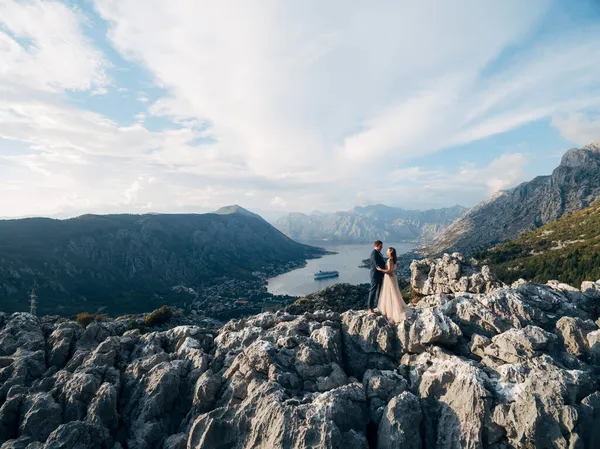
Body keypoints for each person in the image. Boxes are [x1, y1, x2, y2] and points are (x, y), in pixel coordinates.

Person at [377, 247, 413, 323]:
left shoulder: (390, 260)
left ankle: (392, 312)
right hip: (392, 277)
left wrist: (381, 270)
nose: (386, 251)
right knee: (393, 293)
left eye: (388, 250)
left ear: (390, 252)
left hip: (389, 277)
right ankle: (393, 310)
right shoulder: (393, 259)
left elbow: (389, 271)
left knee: (391, 293)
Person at [368, 240, 385, 313]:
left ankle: (379, 306)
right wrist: (384, 270)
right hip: (375, 275)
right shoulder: (374, 253)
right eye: (380, 246)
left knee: (379, 291)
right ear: (376, 246)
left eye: (382, 246)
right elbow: (376, 264)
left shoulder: (379, 253)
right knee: (373, 290)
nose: (382, 247)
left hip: (380, 274)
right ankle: (370, 308)